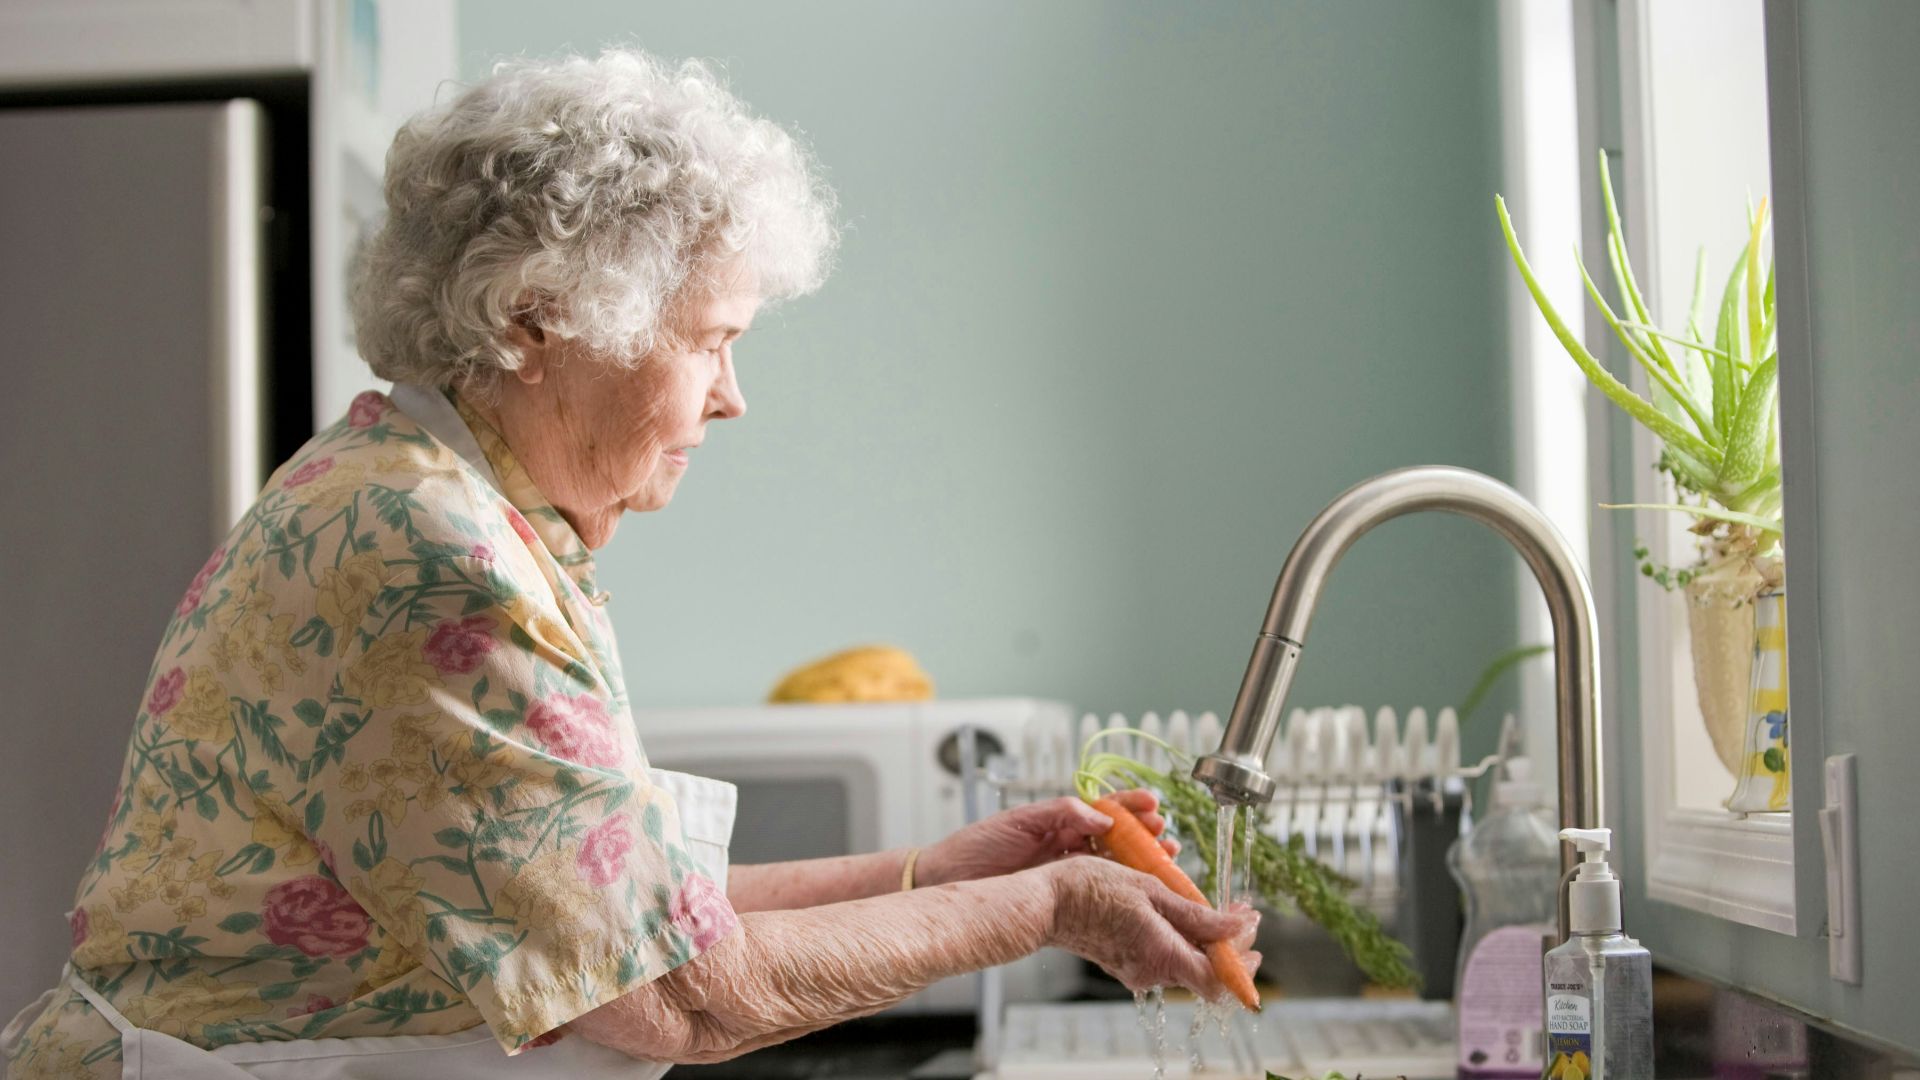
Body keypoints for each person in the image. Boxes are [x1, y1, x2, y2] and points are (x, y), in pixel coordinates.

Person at [2, 49, 1257, 1080]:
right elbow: (679, 996)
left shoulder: (437, 503)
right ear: (538, 321)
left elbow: (619, 908)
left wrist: (943, 870)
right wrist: (1048, 911)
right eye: (709, 342)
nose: (731, 399)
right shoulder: (429, 559)